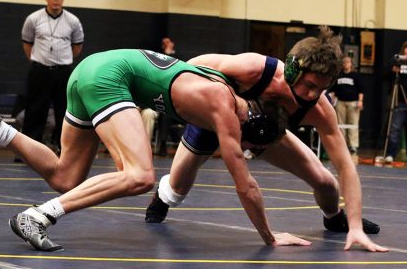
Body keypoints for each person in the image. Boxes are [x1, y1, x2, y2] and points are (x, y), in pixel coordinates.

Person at [0, 49, 307, 252]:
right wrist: (270, 236)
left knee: (65, 176)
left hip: (91, 71)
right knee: (141, 176)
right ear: (252, 132)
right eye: (251, 149)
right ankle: (37, 216)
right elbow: (246, 187)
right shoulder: (228, 112)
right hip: (110, 78)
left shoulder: (221, 89)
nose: (245, 152)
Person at [145, 26, 388, 253]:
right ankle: (163, 195)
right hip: (213, 125)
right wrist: (206, 105)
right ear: (293, 69)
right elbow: (189, 67)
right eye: (310, 85)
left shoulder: (320, 109)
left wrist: (355, 225)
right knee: (177, 190)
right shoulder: (255, 69)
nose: (313, 95)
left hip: (265, 135)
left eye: (321, 89)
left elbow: (345, 165)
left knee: (326, 183)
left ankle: (334, 218)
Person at [21, 0, 84, 151]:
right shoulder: (33, 19)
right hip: (40, 71)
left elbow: (77, 47)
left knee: (64, 111)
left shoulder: (73, 21)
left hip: (63, 72)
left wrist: (62, 61)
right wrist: (39, 61)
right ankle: (28, 150)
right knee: (35, 110)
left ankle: (65, 150)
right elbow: (27, 44)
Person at [328, 55, 364, 155]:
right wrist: (332, 99)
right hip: (340, 102)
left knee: (353, 124)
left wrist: (360, 101)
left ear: (351, 63)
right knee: (340, 124)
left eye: (347, 62)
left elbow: (361, 90)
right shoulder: (339, 75)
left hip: (353, 102)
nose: (346, 64)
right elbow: (333, 89)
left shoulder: (355, 75)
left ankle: (353, 146)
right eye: (344, 62)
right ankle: (342, 144)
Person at [384, 41, 407, 164]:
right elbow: (385, 75)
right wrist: (393, 66)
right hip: (399, 101)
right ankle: (390, 154)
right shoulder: (397, 61)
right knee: (395, 129)